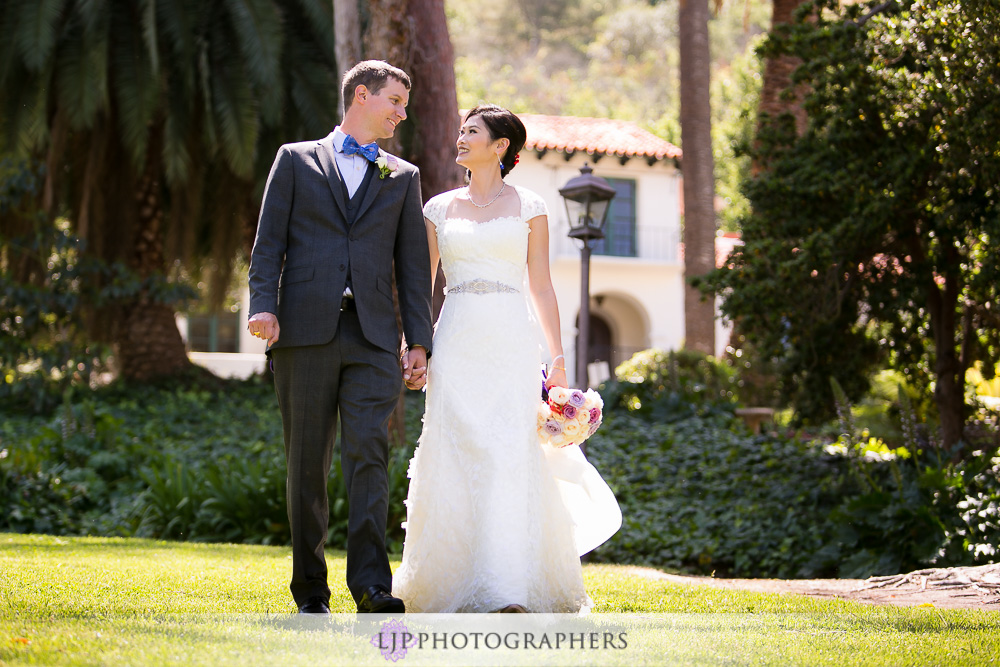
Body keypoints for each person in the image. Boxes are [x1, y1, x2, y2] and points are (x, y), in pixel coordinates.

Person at [392, 104, 622, 613]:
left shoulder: (530, 206)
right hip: (455, 339)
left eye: (471, 132)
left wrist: (558, 357)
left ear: (500, 146)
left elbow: (540, 285)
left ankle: (509, 589)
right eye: (461, 131)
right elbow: (420, 286)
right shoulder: (437, 208)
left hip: (511, 341)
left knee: (508, 453)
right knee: (453, 451)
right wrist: (417, 345)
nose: (460, 138)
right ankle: (441, 584)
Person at [247, 60, 432, 615]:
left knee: (369, 458)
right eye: (394, 101)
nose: (402, 112)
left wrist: (418, 341)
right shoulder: (295, 160)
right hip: (303, 333)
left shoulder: (403, 177)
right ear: (361, 95)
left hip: (376, 338)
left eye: (405, 103)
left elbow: (413, 268)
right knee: (306, 463)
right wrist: (263, 307)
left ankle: (373, 586)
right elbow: (267, 245)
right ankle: (310, 592)